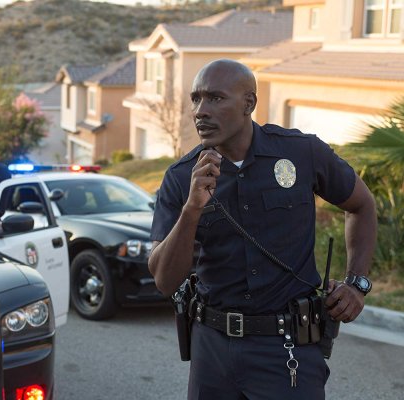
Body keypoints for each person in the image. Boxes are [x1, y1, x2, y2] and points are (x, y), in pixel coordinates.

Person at [148, 59, 377, 400]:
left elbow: (361, 205)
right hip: (212, 352)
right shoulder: (181, 177)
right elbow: (164, 280)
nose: (200, 111)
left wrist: (356, 282)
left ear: (249, 103)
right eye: (196, 99)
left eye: (215, 98)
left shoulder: (301, 153)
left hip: (287, 350)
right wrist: (192, 209)